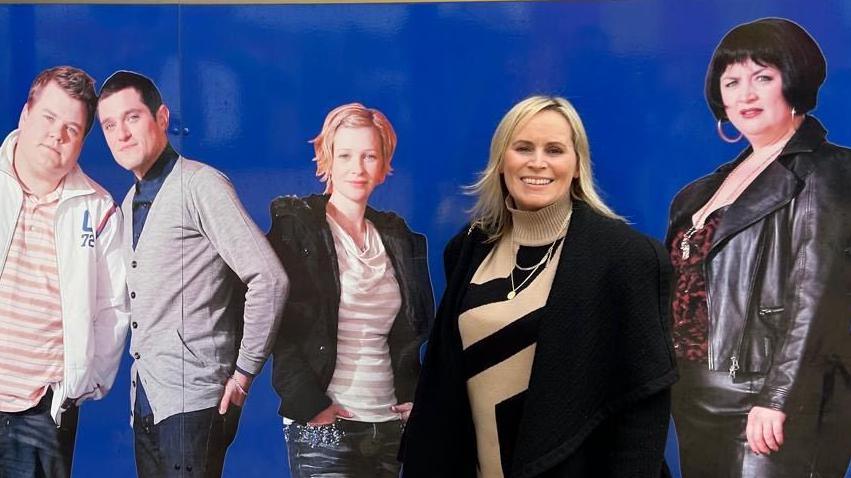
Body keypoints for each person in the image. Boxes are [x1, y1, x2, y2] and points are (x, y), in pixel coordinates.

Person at [400, 95, 676, 477]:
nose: (537, 162)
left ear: (577, 165)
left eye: (555, 150)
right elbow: (445, 389)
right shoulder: (468, 248)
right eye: (523, 148)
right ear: (502, 161)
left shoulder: (626, 258)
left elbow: (643, 405)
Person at [666, 17, 851, 478]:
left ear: (795, 81)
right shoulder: (700, 192)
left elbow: (819, 297)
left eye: (762, 77)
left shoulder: (827, 172)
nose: (744, 94)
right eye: (732, 81)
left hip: (771, 401)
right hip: (694, 398)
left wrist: (779, 398)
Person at [96, 70, 288, 477]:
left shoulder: (201, 185)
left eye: (132, 117)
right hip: (148, 401)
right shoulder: (130, 201)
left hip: (195, 402)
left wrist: (243, 373)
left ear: (161, 118)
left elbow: (268, 278)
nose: (121, 134)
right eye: (109, 125)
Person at [268, 103, 434, 477]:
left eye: (369, 155)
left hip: (389, 425)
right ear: (326, 158)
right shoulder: (298, 229)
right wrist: (310, 404)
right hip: (324, 425)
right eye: (345, 155)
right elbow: (277, 325)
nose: (357, 168)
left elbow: (413, 333)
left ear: (383, 163)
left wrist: (416, 393)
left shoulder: (397, 238)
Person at [0, 66, 128, 477]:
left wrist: (79, 384)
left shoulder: (99, 209)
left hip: (42, 412)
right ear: (25, 114)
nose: (57, 135)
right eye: (49, 118)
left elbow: (113, 308)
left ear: (82, 142)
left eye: (71, 129)